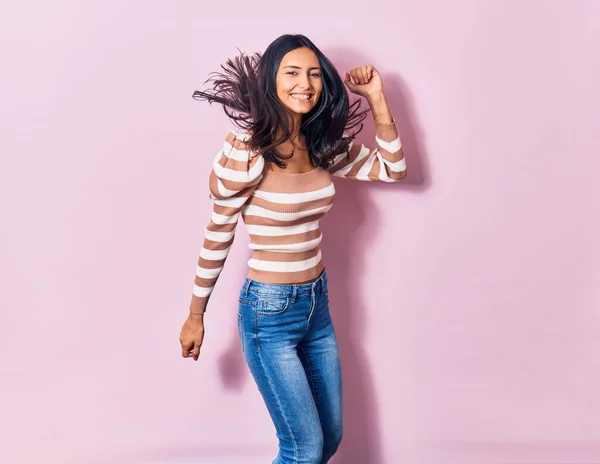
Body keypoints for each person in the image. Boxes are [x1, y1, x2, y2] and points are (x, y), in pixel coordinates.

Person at [179, 34, 407, 464]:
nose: (305, 83)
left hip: (316, 305)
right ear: (271, 81)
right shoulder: (245, 151)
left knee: (331, 438)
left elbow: (392, 168)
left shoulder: (322, 146)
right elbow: (218, 234)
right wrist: (196, 315)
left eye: (314, 74)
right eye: (292, 72)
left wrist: (377, 97)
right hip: (269, 313)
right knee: (303, 449)